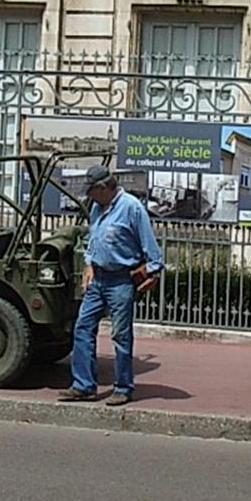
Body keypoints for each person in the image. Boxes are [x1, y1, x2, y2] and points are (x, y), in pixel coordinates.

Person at [60, 165, 163, 407]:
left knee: (121, 335)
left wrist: (152, 272)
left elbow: (151, 249)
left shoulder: (132, 208)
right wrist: (89, 263)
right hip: (98, 279)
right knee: (82, 328)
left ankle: (123, 388)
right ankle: (83, 386)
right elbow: (93, 239)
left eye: (92, 190)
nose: (89, 195)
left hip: (121, 280)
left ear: (104, 188)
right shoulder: (97, 207)